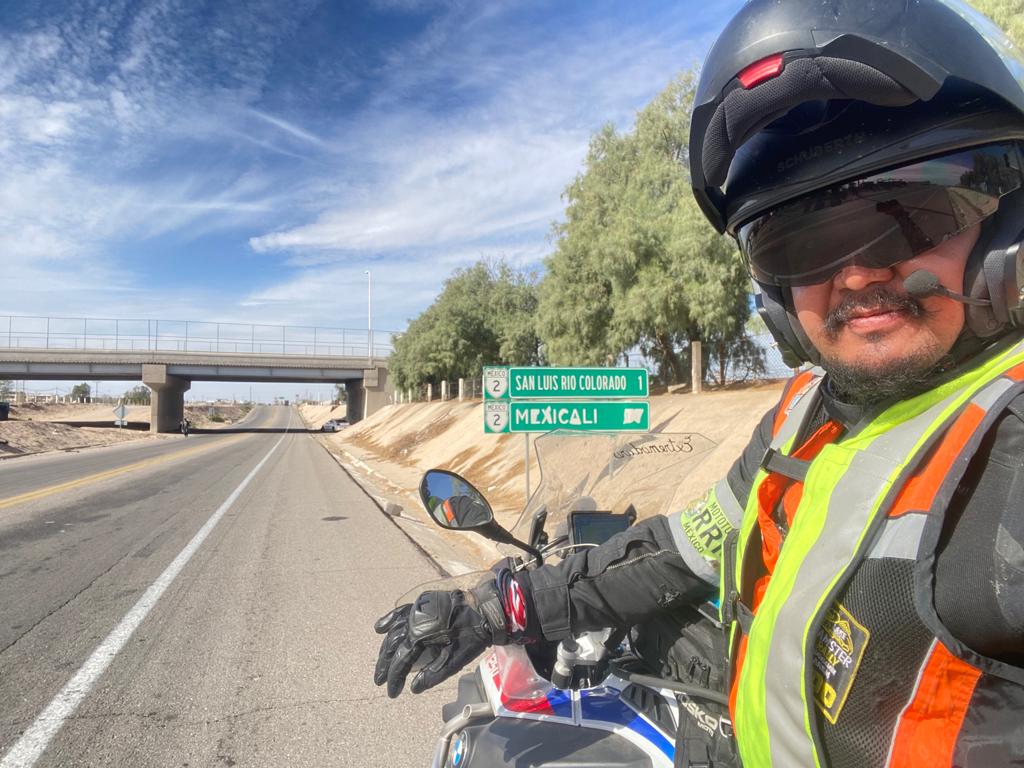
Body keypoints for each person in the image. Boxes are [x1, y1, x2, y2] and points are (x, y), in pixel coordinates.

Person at [375, 2, 1024, 765]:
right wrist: (501, 603)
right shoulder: (807, 416)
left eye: (910, 215)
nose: (854, 275)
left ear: (1007, 218)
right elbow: (685, 551)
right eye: (800, 245)